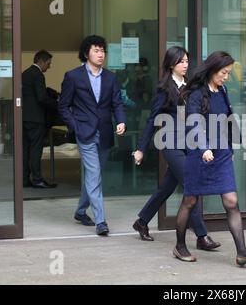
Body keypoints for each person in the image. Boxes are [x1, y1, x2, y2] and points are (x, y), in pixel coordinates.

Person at [175, 51, 246, 266]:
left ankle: (242, 252)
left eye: (228, 73)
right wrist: (205, 148)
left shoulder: (222, 89)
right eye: (224, 73)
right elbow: (194, 123)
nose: (227, 77)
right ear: (213, 70)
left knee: (232, 202)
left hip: (222, 154)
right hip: (199, 154)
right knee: (190, 200)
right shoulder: (196, 93)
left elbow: (226, 119)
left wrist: (230, 150)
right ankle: (179, 246)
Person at [132, 46, 220, 251]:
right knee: (192, 185)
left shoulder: (191, 86)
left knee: (167, 188)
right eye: (182, 61)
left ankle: (142, 221)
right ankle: (201, 236)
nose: (185, 64)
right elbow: (153, 119)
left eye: (187, 61)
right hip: (171, 144)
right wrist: (141, 148)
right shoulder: (164, 88)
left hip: (190, 144)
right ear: (172, 64)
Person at [58, 35, 127, 236]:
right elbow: (63, 106)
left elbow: (117, 103)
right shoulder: (73, 76)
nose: (100, 54)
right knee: (94, 174)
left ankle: (80, 211)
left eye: (102, 51)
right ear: (86, 53)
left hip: (105, 133)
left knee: (92, 175)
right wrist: (75, 126)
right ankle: (101, 221)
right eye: (96, 50)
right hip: (85, 133)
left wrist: (121, 120)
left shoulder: (111, 77)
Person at [22, 50, 58, 189]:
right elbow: (41, 98)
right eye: (48, 63)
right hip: (36, 118)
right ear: (41, 61)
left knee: (25, 149)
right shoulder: (38, 75)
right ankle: (37, 179)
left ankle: (24, 178)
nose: (49, 67)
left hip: (24, 117)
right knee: (36, 150)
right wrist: (57, 106)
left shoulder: (25, 74)